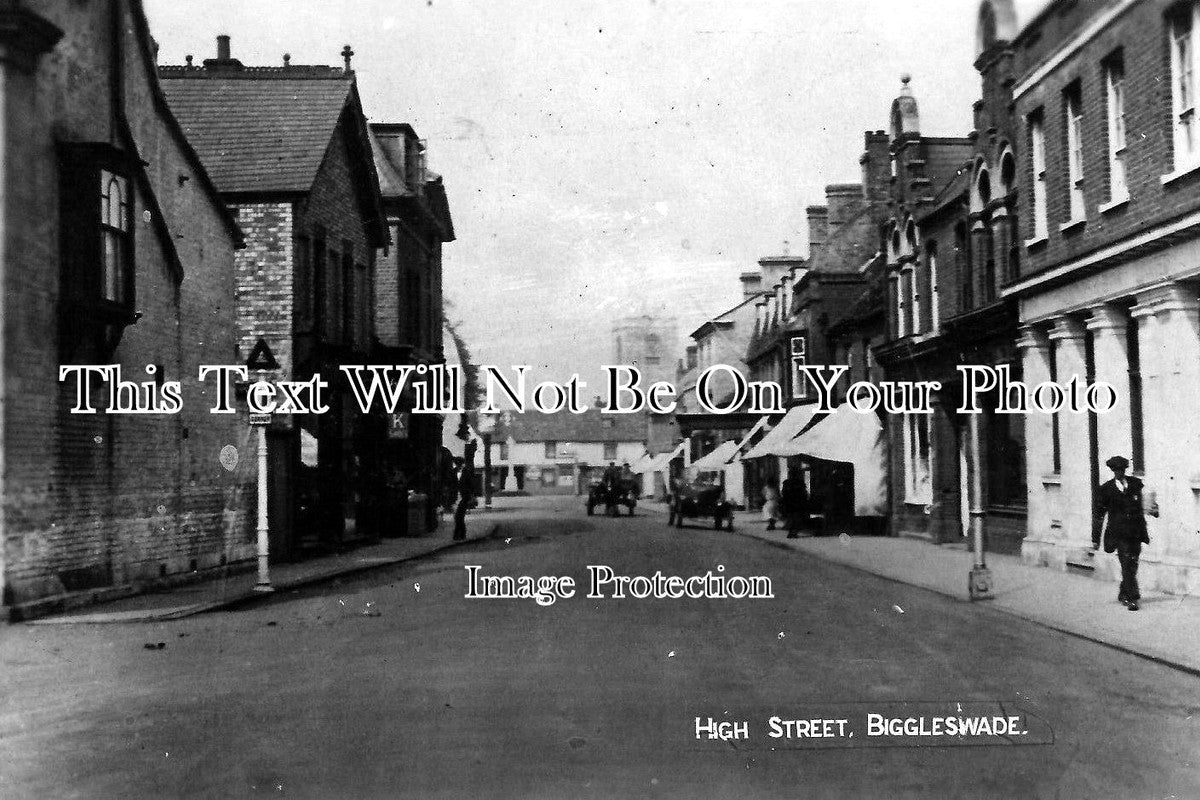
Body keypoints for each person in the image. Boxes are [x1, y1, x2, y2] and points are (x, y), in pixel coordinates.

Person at [1094, 455, 1157, 611]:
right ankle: (1132, 598)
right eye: (1116, 470)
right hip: (1119, 534)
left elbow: (1146, 503)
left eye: (1121, 470)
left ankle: (1123, 592)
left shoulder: (1136, 484)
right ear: (1112, 471)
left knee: (1132, 564)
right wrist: (1095, 538)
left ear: (1125, 470)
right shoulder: (1106, 489)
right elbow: (1099, 514)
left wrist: (1154, 509)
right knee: (1127, 563)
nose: (1119, 473)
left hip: (1136, 532)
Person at [453, 440, 478, 541]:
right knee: (457, 517)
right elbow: (452, 483)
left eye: (459, 464)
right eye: (457, 464)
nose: (458, 465)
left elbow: (471, 485)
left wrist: (471, 495)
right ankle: (461, 534)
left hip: (464, 497)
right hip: (456, 497)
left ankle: (458, 535)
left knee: (459, 516)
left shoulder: (466, 472)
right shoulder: (453, 472)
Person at [780, 471, 809, 539]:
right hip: (797, 503)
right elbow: (803, 492)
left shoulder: (786, 482)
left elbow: (783, 493)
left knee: (791, 518)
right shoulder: (800, 482)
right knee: (796, 518)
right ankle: (794, 532)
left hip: (789, 503)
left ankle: (791, 532)